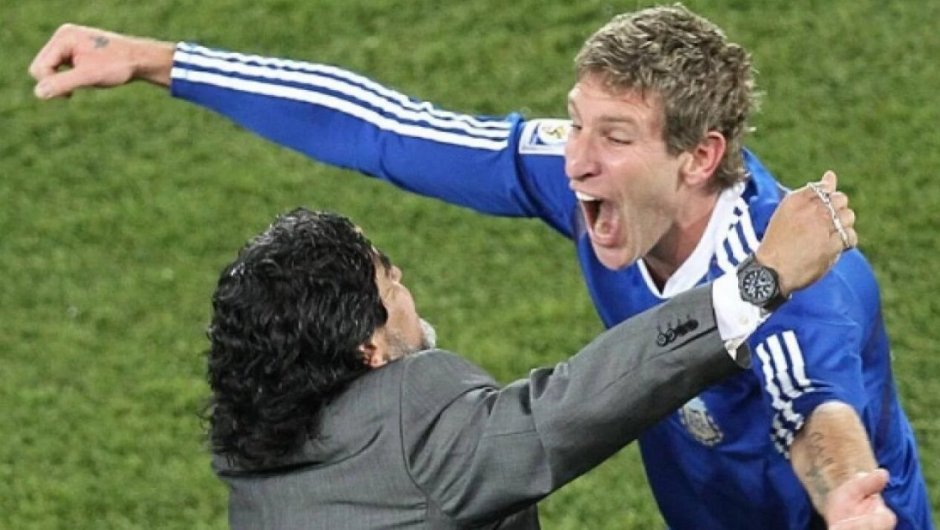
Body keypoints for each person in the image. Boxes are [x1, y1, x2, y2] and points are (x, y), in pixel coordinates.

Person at [28, 6, 931, 529]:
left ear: (698, 157)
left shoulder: (797, 278)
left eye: (612, 137)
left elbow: (820, 415)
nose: (573, 158)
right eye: (575, 121)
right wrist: (161, 60)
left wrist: (847, 499)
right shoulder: (582, 179)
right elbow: (387, 128)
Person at [203, 201, 881, 529]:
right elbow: (571, 407)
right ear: (367, 351)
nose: (406, 286)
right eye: (391, 286)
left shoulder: (253, 472)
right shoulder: (409, 419)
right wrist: (758, 281)